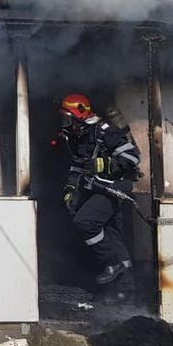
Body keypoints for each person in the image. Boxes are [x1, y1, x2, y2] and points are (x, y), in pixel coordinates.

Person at [58, 93, 141, 290]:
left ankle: (112, 262)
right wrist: (70, 189)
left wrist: (101, 164)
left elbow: (132, 157)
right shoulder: (79, 137)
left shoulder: (104, 131)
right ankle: (126, 290)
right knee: (111, 234)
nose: (65, 123)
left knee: (85, 222)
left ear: (80, 113)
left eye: (68, 118)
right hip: (97, 186)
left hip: (114, 186)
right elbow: (77, 166)